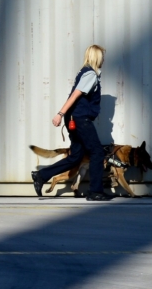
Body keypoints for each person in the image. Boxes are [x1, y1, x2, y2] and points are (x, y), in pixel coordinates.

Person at [31, 45, 112, 201]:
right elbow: (75, 95)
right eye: (102, 56)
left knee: (76, 156)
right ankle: (95, 191)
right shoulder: (90, 75)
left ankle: (41, 176)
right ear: (97, 57)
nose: (104, 60)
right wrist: (60, 114)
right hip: (81, 119)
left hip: (75, 119)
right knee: (97, 152)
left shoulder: (85, 72)